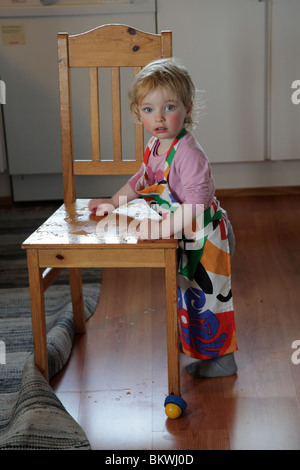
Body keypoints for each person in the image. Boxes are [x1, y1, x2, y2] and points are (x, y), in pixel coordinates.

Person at [89, 58, 238, 378]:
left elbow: (196, 203)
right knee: (191, 297)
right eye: (148, 110)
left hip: (206, 235)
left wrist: (160, 229)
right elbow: (142, 180)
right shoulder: (155, 145)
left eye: (169, 107)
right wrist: (114, 203)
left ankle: (223, 360)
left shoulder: (188, 153)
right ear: (137, 112)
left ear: (188, 108)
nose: (158, 118)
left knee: (211, 300)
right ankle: (206, 354)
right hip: (183, 233)